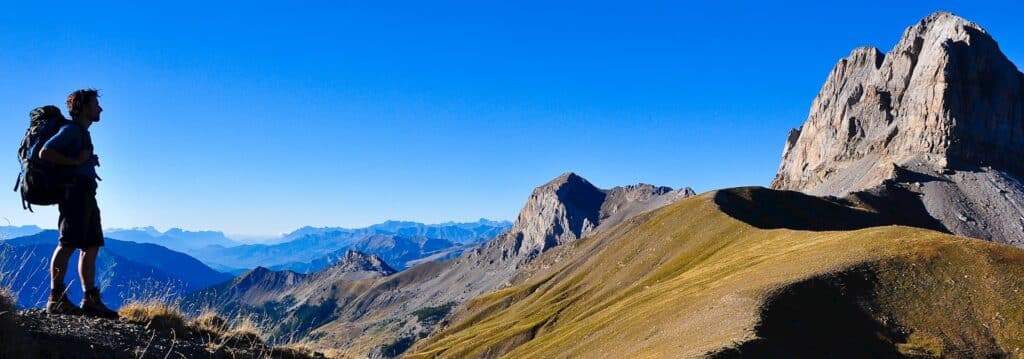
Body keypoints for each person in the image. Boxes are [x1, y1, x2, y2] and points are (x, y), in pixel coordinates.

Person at [38, 89, 117, 318]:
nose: (100, 109)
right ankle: (56, 298)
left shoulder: (81, 133)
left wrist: (87, 161)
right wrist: (75, 161)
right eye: (95, 104)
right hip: (74, 196)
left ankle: (90, 299)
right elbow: (45, 152)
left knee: (91, 245)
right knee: (68, 243)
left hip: (86, 196)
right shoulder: (71, 130)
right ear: (83, 107)